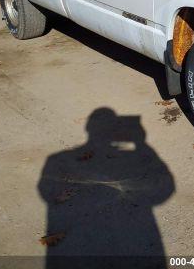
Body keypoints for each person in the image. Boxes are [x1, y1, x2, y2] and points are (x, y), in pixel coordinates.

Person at [38, 107, 175, 268]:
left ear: (88, 129)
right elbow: (166, 188)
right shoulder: (56, 160)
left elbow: (45, 191)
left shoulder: (55, 159)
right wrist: (141, 145)